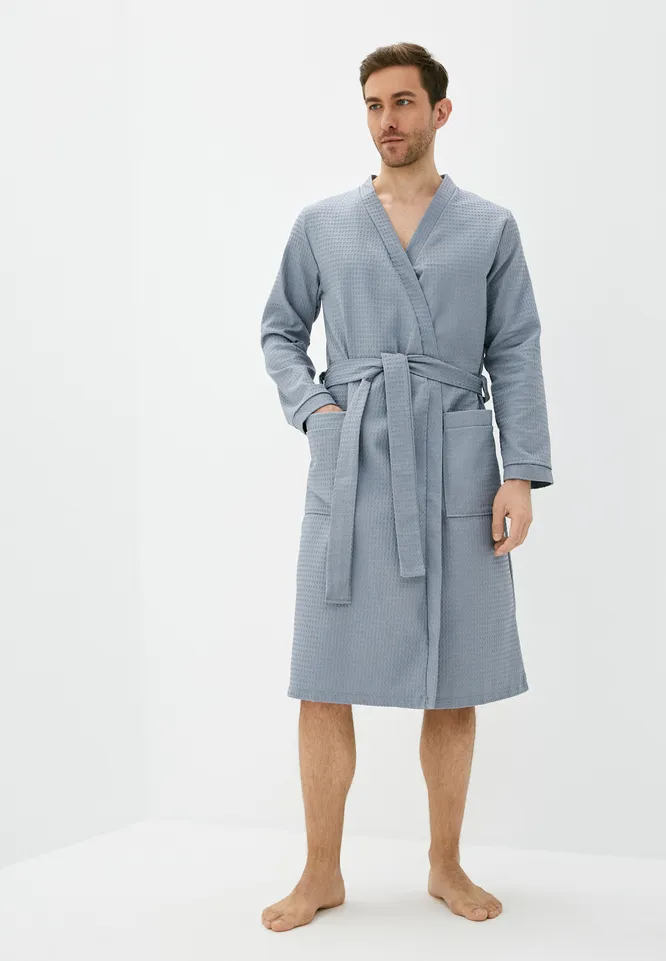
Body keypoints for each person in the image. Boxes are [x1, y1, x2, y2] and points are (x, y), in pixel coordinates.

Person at [259, 42, 554, 932]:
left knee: (454, 674)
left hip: (456, 461)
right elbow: (280, 330)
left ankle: (445, 862)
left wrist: (519, 473)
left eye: (403, 102)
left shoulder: (490, 227)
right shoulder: (323, 223)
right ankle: (320, 870)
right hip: (351, 462)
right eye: (374, 105)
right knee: (323, 672)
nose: (387, 120)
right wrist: (316, 410)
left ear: (439, 111)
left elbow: (515, 349)